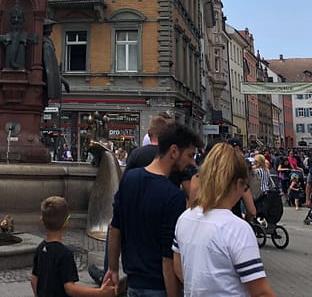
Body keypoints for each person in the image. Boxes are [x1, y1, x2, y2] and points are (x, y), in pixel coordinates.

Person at [104, 122, 202, 296]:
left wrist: (112, 269)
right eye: (190, 155)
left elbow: (115, 228)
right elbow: (167, 261)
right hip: (159, 286)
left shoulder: (130, 179)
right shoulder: (174, 196)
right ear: (174, 151)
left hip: (133, 284)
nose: (192, 162)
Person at [173, 142, 276, 297]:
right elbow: (260, 292)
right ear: (238, 183)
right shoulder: (237, 229)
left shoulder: (184, 218)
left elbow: (179, 268)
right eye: (245, 186)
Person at [30, 196, 115, 297]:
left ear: (42, 220)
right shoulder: (65, 254)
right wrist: (99, 292)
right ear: (66, 222)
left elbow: (34, 279)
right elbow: (70, 288)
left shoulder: (40, 248)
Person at [0, 3, 30, 70]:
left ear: (23, 20)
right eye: (14, 17)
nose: (16, 20)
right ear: (10, 20)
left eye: (19, 18)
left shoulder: (25, 35)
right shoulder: (6, 36)